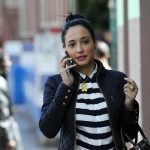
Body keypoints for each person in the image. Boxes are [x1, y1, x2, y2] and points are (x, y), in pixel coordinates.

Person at [39, 13, 139, 150]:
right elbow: (48, 130)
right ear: (65, 49)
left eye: (85, 41)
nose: (79, 49)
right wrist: (66, 86)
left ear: (95, 43)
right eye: (72, 44)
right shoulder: (56, 83)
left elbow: (130, 133)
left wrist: (129, 104)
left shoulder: (117, 80)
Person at [0, 48, 22, 150]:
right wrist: (9, 139)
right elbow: (3, 115)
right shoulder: (1, 83)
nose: (10, 63)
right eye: (7, 60)